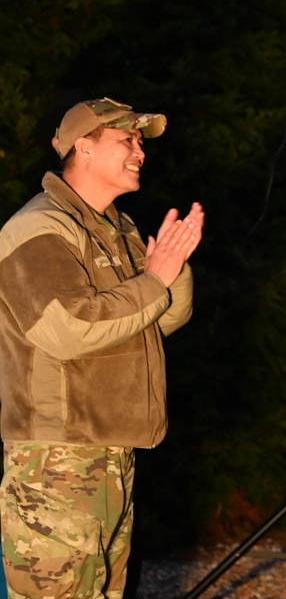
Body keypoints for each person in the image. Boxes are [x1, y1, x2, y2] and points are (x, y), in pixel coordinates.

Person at [0, 98, 204, 599]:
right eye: (126, 140)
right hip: (58, 458)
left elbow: (164, 319)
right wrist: (156, 276)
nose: (139, 152)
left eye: (140, 142)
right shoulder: (38, 229)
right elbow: (68, 327)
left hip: (112, 450)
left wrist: (173, 267)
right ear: (83, 148)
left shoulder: (120, 230)